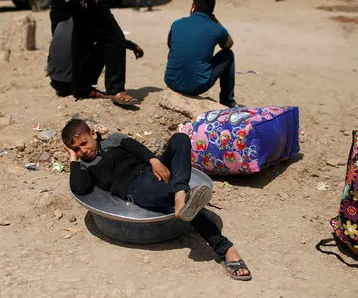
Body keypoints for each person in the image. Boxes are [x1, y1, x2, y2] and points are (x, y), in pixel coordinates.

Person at [63, 119, 252, 281]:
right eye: (76, 149)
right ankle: (226, 249)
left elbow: (136, 148)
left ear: (93, 134)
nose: (82, 151)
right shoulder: (85, 167)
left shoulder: (114, 139)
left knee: (180, 139)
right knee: (181, 204)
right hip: (136, 188)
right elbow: (79, 187)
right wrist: (73, 160)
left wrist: (154, 161)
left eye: (84, 143)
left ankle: (180, 194)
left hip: (152, 170)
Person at [164, 0, 240, 108]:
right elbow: (228, 45)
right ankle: (227, 101)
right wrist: (216, 21)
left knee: (177, 48)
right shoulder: (216, 28)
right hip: (196, 87)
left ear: (193, 6)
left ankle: (177, 73)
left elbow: (170, 45)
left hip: (171, 81)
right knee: (228, 55)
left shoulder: (177, 23)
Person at [48, 18, 144, 97]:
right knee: (105, 46)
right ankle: (86, 90)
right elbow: (113, 40)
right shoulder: (88, 24)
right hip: (73, 84)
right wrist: (133, 46)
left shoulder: (60, 24)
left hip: (56, 82)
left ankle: (73, 87)